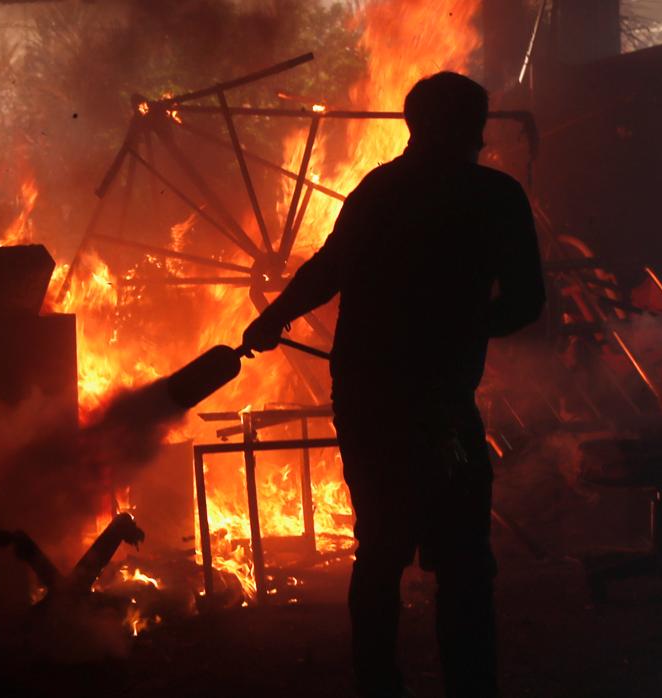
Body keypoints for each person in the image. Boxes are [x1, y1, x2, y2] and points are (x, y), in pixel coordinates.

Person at [242, 72, 545, 698]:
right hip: (442, 406)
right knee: (463, 559)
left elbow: (328, 268)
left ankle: (378, 685)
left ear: (413, 125)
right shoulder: (495, 196)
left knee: (380, 548)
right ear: (476, 129)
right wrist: (467, 327)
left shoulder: (381, 190)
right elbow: (526, 302)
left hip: (369, 398)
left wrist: (274, 318)